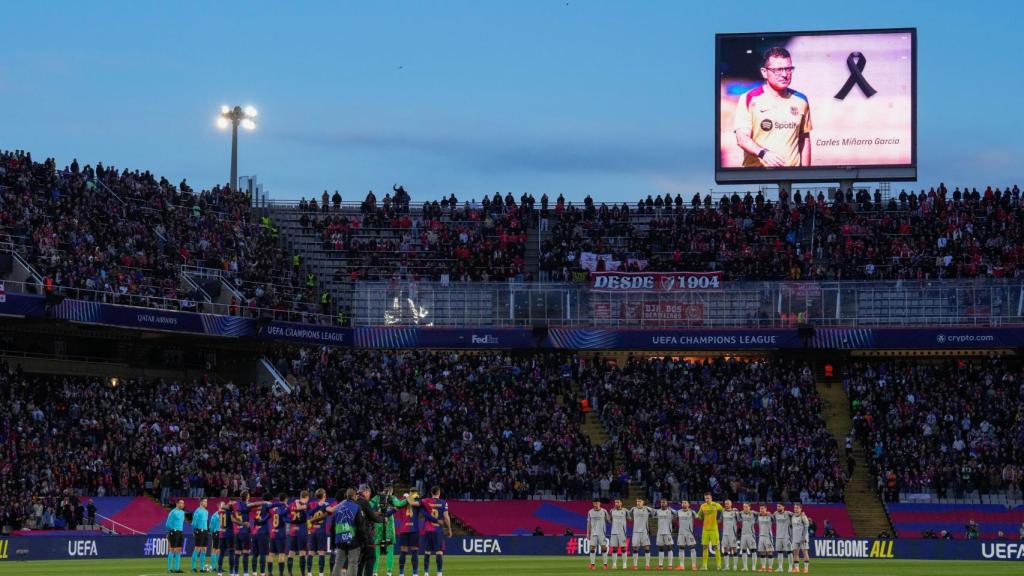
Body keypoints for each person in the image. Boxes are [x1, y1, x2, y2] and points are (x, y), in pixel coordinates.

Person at [733, 47, 813, 168]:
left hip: (791, 177)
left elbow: (804, 139)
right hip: (758, 177)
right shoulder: (749, 98)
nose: (785, 74)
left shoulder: (801, 100)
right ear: (764, 72)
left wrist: (805, 173)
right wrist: (764, 154)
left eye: (788, 69)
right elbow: (742, 138)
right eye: (778, 70)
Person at [419, 486, 451, 576]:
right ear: (439, 492)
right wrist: (449, 529)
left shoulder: (426, 501)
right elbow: (446, 517)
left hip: (428, 529)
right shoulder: (443, 502)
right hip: (438, 530)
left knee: (427, 552)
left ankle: (426, 573)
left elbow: (417, 504)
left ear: (431, 493)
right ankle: (439, 573)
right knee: (439, 552)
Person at [331, 488, 362, 576]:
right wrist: (363, 540)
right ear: (354, 496)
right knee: (353, 563)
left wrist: (334, 542)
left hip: (340, 539)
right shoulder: (356, 507)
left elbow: (333, 526)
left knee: (338, 563)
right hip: (352, 539)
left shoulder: (337, 508)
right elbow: (360, 526)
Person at [309, 488, 339, 576]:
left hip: (313, 530)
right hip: (321, 531)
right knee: (321, 552)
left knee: (311, 552)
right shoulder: (326, 504)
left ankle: (309, 573)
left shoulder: (313, 504)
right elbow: (332, 510)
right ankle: (321, 574)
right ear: (324, 495)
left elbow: (309, 513)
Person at [698, 493, 724, 571]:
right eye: (706, 498)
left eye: (708, 498)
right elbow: (699, 515)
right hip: (705, 529)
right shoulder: (703, 506)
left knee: (716, 547)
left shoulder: (716, 505)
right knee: (704, 547)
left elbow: (723, 510)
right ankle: (704, 566)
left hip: (714, 529)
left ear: (711, 498)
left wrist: (720, 519)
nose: (707, 500)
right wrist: (700, 517)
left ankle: (719, 565)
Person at [288, 491, 312, 576]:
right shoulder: (305, 505)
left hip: (293, 530)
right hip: (301, 530)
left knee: (291, 552)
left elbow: (288, 516)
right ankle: (302, 573)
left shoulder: (291, 504)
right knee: (302, 552)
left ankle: (289, 572)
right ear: (307, 497)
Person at [267, 494, 290, 576]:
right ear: (285, 499)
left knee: (271, 553)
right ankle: (281, 573)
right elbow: (285, 517)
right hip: (280, 534)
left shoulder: (273, 508)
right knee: (281, 554)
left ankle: (269, 572)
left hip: (272, 533)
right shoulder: (283, 507)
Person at [628, 497, 653, 569]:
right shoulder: (633, 509)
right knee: (635, 548)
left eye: (639, 501)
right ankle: (635, 565)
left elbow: (655, 513)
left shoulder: (647, 509)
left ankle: (647, 565)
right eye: (637, 501)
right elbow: (628, 515)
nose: (638, 503)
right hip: (635, 532)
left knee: (647, 547)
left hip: (644, 531)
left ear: (643, 502)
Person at [585, 498, 609, 570]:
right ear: (593, 504)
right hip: (593, 533)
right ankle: (592, 565)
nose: (595, 505)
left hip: (602, 533)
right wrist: (587, 533)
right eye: (594, 503)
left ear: (599, 503)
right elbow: (588, 523)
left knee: (604, 548)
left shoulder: (604, 511)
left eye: (597, 503)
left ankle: (605, 565)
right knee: (592, 548)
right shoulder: (590, 512)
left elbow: (608, 521)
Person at [676, 500, 699, 571]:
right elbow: (676, 519)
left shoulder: (692, 512)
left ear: (688, 504)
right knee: (681, 548)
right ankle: (681, 566)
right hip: (681, 533)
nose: (683, 504)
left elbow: (698, 517)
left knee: (692, 548)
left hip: (689, 533)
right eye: (682, 502)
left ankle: (694, 565)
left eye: (685, 503)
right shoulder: (678, 512)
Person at [166, 499, 185, 574]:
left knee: (179, 550)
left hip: (180, 532)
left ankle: (177, 568)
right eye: (181, 503)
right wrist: (172, 530)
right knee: (172, 549)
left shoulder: (183, 512)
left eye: (183, 503)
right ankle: (169, 568)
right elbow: (167, 524)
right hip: (174, 532)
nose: (182, 504)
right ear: (177, 504)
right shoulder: (173, 512)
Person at [654, 499, 675, 570]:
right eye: (661, 502)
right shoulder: (658, 511)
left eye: (664, 502)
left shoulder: (670, 511)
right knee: (660, 548)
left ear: (667, 503)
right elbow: (651, 513)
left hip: (668, 532)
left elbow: (676, 514)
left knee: (670, 548)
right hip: (660, 532)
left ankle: (670, 565)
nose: (662, 504)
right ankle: (660, 565)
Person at [190, 498, 210, 574]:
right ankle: (193, 567)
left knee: (204, 549)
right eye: (205, 501)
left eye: (206, 501)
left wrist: (207, 530)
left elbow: (206, 521)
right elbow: (194, 522)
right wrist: (195, 530)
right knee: (197, 548)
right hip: (199, 530)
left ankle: (202, 568)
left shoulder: (206, 511)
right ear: (201, 502)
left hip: (205, 531)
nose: (206, 503)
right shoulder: (197, 511)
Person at [791, 504, 811, 573]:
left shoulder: (803, 516)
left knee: (805, 552)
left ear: (800, 509)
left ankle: (806, 568)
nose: (795, 509)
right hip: (795, 538)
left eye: (797, 508)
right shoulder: (793, 516)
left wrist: (803, 537)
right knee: (795, 552)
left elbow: (806, 527)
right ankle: (796, 568)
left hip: (803, 538)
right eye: (794, 508)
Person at [609, 498, 629, 569]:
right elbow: (610, 520)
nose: (616, 504)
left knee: (623, 548)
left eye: (618, 502)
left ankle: (624, 564)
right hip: (614, 532)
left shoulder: (625, 511)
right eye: (615, 502)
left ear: (621, 503)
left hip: (622, 533)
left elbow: (630, 518)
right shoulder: (612, 511)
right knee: (614, 549)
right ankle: (614, 564)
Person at [774, 503, 794, 573]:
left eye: (779, 506)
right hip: (778, 536)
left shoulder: (788, 513)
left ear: (783, 507)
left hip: (787, 536)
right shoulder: (775, 514)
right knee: (779, 552)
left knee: (789, 552)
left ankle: (790, 567)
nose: (778, 507)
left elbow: (796, 515)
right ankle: (780, 567)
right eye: (777, 506)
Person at [720, 500, 739, 571]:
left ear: (731, 504)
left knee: (734, 549)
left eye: (728, 504)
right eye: (725, 504)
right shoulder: (723, 512)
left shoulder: (735, 512)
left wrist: (738, 513)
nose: (726, 505)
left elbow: (739, 520)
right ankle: (727, 566)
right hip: (725, 533)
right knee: (725, 549)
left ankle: (735, 566)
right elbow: (720, 520)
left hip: (732, 533)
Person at [739, 503, 758, 571]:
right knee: (743, 550)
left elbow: (760, 514)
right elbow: (737, 515)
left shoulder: (753, 513)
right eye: (744, 507)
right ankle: (745, 567)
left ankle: (754, 566)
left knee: (753, 550)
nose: (745, 508)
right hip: (743, 534)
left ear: (749, 507)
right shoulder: (741, 513)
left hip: (751, 534)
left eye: (746, 507)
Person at [757, 505, 775, 572]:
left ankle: (770, 568)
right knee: (762, 552)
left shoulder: (769, 516)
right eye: (760, 509)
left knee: (770, 551)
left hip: (768, 536)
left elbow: (775, 521)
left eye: (762, 509)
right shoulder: (759, 516)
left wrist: (771, 514)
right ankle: (763, 567)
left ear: (766, 509)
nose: (761, 510)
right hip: (761, 536)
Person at [206, 501, 222, 574]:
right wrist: (213, 533)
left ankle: (219, 567)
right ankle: (213, 567)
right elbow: (211, 526)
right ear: (218, 506)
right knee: (214, 549)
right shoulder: (215, 515)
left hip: (222, 533)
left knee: (219, 550)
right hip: (217, 533)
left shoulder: (224, 514)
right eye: (222, 505)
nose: (223, 506)